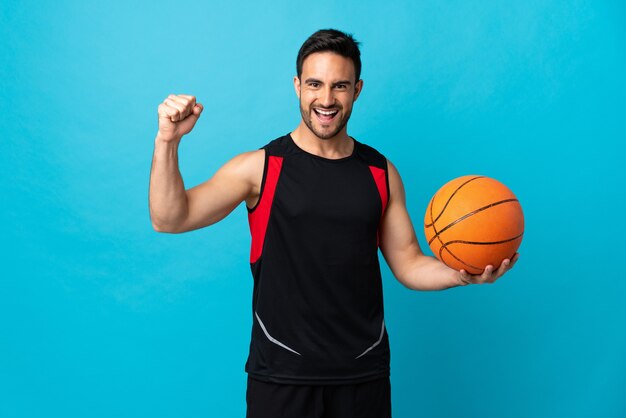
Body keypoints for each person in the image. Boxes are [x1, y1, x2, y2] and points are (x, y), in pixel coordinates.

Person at [149, 28, 519, 418]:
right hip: (281, 378)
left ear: (357, 90)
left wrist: (461, 274)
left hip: (363, 376)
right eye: (315, 84)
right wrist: (167, 140)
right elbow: (170, 218)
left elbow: (409, 262)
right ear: (297, 86)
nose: (326, 99)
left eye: (339, 86)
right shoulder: (259, 168)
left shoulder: (380, 172)